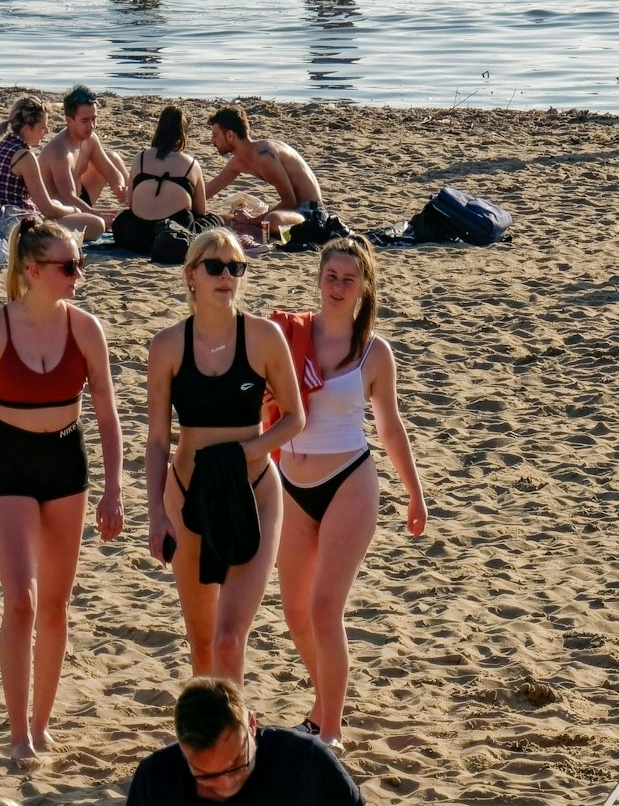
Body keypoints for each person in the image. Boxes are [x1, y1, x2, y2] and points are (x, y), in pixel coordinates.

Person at [0, 217, 124, 770]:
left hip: (67, 459)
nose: (78, 275)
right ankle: (18, 735)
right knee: (21, 600)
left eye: (80, 264)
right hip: (10, 459)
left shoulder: (86, 329)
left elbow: (108, 414)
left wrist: (114, 488)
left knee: (57, 606)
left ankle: (41, 727)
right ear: (32, 270)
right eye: (68, 266)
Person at [268, 239, 429, 750]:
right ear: (318, 278)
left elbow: (391, 427)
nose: (338, 287)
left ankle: (330, 730)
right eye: (331, 276)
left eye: (348, 279)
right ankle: (323, 706)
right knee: (294, 612)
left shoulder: (374, 352)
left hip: (350, 481)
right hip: (292, 482)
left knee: (323, 608)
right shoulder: (287, 337)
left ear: (363, 289)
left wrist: (415, 493)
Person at [145, 230, 306, 684]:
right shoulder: (168, 346)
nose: (226, 276)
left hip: (253, 490)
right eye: (214, 266)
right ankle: (210, 737)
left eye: (235, 267)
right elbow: (157, 440)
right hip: (187, 491)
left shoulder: (263, 337)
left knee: (230, 637)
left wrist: (242, 454)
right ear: (190, 275)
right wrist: (156, 513)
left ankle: (235, 734)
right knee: (200, 638)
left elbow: (294, 418)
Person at [126, 677, 365, 805]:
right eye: (207, 776)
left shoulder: (305, 761)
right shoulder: (156, 779)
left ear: (252, 725)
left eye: (238, 763)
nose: (227, 785)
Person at [0, 97, 108, 239]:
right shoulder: (24, 157)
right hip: (14, 228)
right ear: (27, 129)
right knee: (96, 224)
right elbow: (48, 209)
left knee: (59, 204)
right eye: (42, 127)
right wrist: (74, 210)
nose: (46, 131)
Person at [205, 108, 325, 239]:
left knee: (272, 219)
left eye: (215, 135)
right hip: (292, 213)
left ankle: (262, 231)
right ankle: (259, 230)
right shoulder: (238, 161)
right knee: (224, 219)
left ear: (229, 135)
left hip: (310, 213)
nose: (212, 141)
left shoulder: (265, 156)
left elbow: (290, 201)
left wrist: (252, 220)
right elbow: (211, 188)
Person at [113, 105, 215, 253]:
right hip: (173, 235)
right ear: (183, 134)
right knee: (212, 221)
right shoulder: (191, 165)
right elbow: (200, 210)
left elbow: (131, 203)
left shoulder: (140, 158)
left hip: (136, 237)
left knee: (123, 216)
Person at [38, 85, 130, 214]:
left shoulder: (90, 139)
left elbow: (111, 171)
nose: (91, 126)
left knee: (113, 157)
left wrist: (120, 188)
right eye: (85, 121)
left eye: (94, 119)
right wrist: (98, 214)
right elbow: (68, 197)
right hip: (63, 211)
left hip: (81, 199)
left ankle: (138, 206)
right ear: (69, 121)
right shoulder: (60, 153)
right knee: (99, 223)